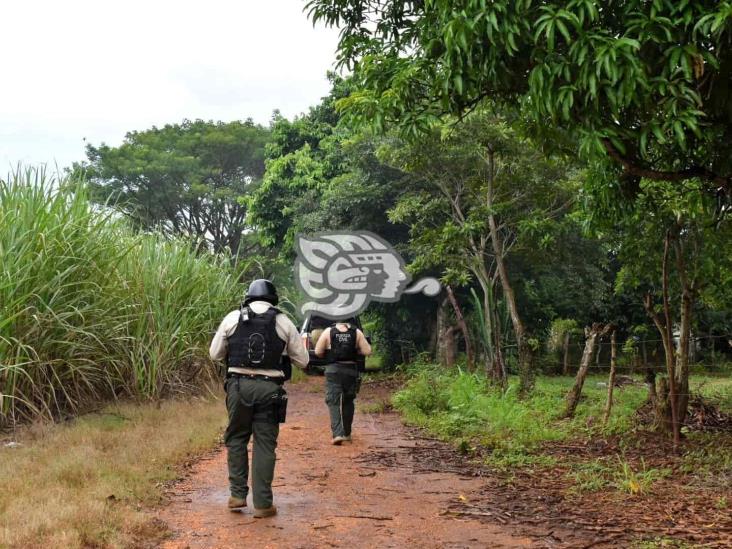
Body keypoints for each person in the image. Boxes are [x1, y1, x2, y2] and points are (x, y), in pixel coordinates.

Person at [209, 279, 309, 518]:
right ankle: (263, 503)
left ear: (249, 298)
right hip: (269, 388)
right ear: (273, 299)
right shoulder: (283, 321)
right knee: (265, 444)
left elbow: (215, 354)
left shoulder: (232, 318)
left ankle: (237, 495)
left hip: (238, 386)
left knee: (236, 438)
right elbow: (304, 361)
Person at [314, 321, 372, 444]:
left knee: (333, 401)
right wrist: (356, 350)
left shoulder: (328, 331)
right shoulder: (356, 332)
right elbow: (367, 351)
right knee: (348, 401)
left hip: (333, 370)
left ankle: (337, 434)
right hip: (351, 371)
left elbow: (318, 351)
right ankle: (347, 434)